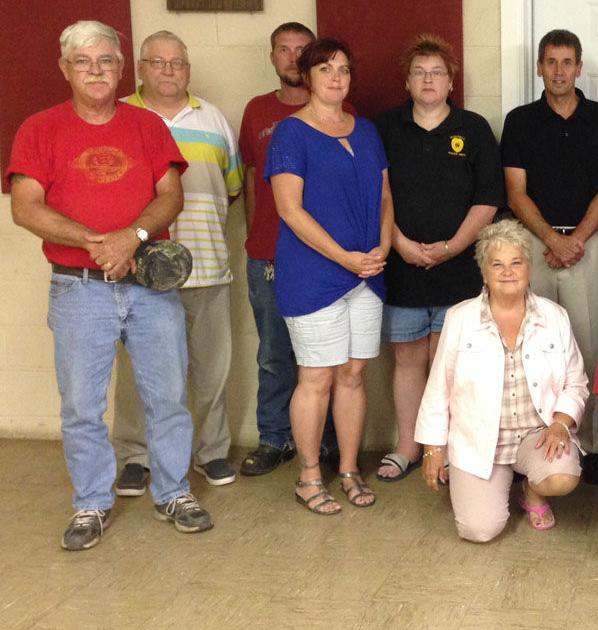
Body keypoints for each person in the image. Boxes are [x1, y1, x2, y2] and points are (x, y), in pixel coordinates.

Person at [6, 20, 213, 550]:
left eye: (106, 61)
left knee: (167, 397)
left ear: (122, 69)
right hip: (79, 290)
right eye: (84, 61)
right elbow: (26, 208)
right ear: (65, 69)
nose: (96, 71)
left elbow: (171, 196)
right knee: (80, 405)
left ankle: (172, 493)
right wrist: (101, 241)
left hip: (149, 286)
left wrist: (133, 236)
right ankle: (92, 503)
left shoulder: (146, 127)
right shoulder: (39, 128)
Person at [111, 30, 244, 494]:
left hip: (207, 267)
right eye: (159, 62)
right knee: (138, 373)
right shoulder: (119, 117)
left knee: (212, 370)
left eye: (178, 63)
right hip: (139, 274)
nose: (169, 71)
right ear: (141, 68)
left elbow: (231, 188)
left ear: (188, 69)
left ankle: (211, 453)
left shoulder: (214, 120)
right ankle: (135, 456)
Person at [265, 38, 393, 514]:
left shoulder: (366, 131)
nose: (336, 77)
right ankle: (309, 475)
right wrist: (345, 257)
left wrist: (380, 246)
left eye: (343, 69)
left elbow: (384, 196)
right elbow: (289, 210)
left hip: (367, 274)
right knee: (316, 376)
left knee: (354, 374)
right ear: (307, 76)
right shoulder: (290, 134)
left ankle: (348, 469)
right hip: (316, 274)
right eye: (325, 69)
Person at [374, 34, 503, 482]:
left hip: (460, 269)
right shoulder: (385, 128)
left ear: (451, 82)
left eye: (437, 73)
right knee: (408, 359)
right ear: (407, 82)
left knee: (453, 363)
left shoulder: (474, 129)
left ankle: (446, 447)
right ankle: (408, 445)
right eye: (419, 73)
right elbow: (376, 195)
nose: (428, 80)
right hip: (402, 267)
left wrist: (451, 247)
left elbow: (488, 201)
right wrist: (401, 244)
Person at [415, 219, 588, 542]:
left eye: (516, 263)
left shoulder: (554, 317)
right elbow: (438, 388)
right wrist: (432, 449)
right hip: (480, 440)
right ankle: (488, 483)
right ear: (484, 272)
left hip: (537, 434)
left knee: (562, 476)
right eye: (497, 264)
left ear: (528, 268)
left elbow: (576, 383)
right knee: (478, 530)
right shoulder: (460, 318)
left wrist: (560, 424)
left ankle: (532, 491)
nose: (508, 272)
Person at [500, 29, 598, 485]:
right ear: (538, 67)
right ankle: (533, 444)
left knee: (588, 345)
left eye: (567, 62)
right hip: (533, 245)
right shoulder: (520, 120)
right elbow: (515, 192)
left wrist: (576, 240)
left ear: (579, 67)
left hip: (588, 245)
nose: (559, 71)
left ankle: (590, 445)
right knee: (529, 346)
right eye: (550, 62)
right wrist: (551, 238)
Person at [238, 22, 352, 476]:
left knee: (324, 356)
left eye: (301, 51)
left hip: (321, 255)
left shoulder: (343, 114)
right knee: (274, 352)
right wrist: (255, 238)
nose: (291, 59)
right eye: (283, 50)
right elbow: (250, 178)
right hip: (268, 251)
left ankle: (324, 444)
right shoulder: (257, 111)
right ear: (273, 57)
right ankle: (273, 438)